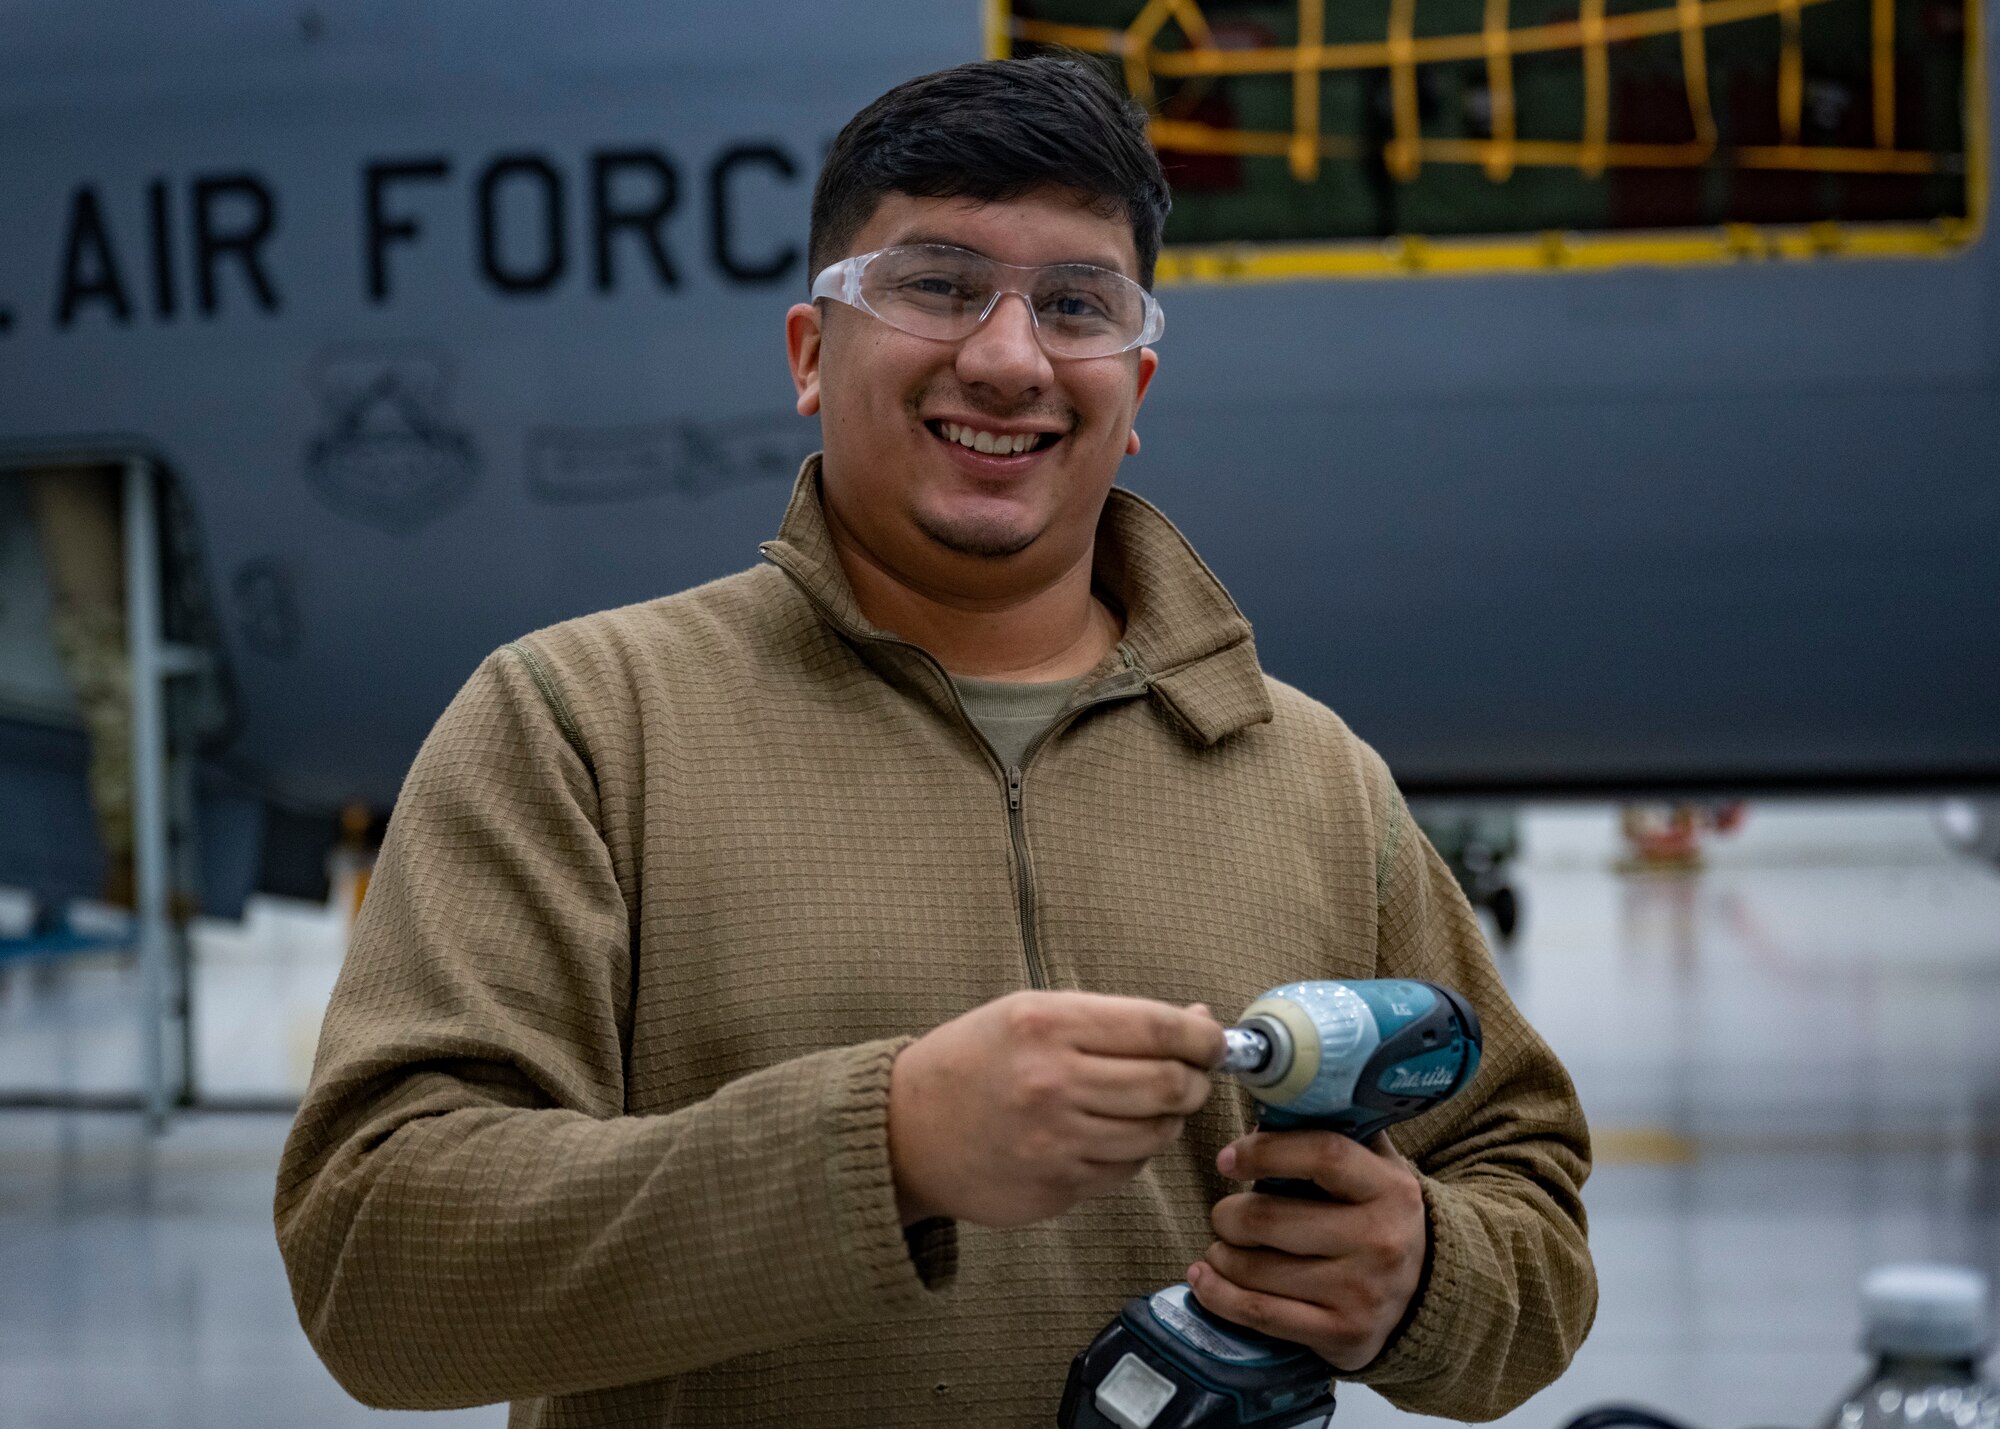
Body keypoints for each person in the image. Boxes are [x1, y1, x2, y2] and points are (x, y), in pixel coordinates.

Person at [274, 56, 1596, 1427]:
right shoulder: (582, 727)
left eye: (1075, 305)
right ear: (807, 353)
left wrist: (1419, 1273)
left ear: (1133, 387)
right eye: (937, 284)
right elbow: (377, 1264)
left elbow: (1535, 1223)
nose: (1009, 357)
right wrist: (884, 1143)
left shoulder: (1309, 776)